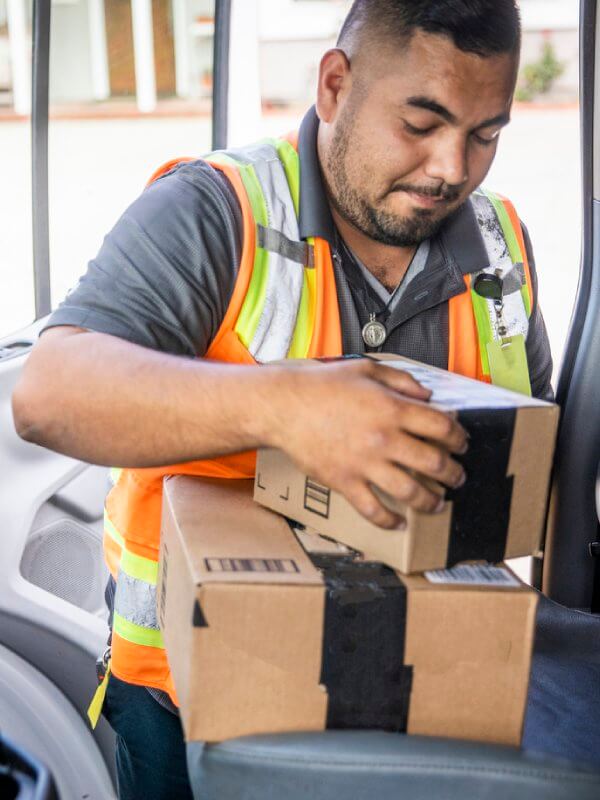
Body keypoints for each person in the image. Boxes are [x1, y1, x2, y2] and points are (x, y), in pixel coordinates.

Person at [12, 1, 552, 797]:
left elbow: (529, 461)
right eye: (421, 122)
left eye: (485, 135)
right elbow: (51, 394)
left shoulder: (501, 244)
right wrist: (286, 408)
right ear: (336, 86)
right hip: (183, 698)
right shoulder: (215, 211)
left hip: (422, 685)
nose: (450, 167)